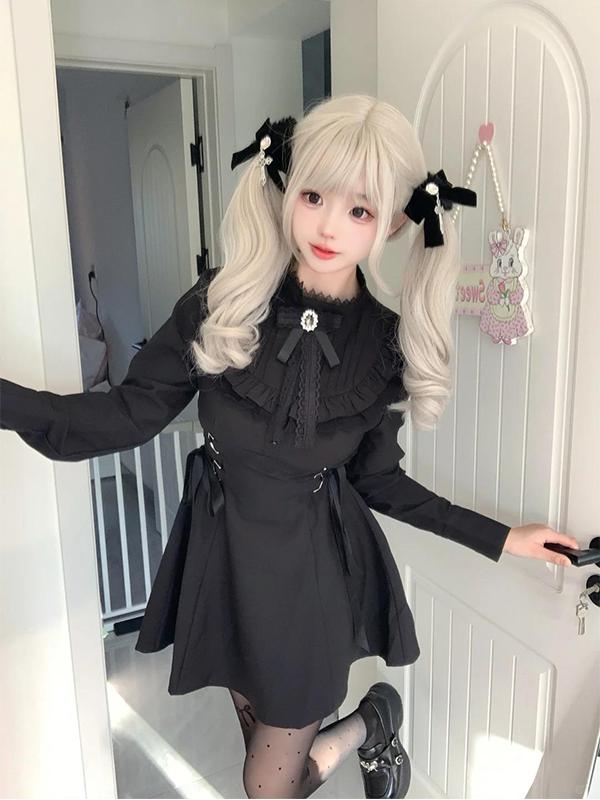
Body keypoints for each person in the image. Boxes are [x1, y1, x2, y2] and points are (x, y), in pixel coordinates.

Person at [0, 94, 579, 799]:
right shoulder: (222, 303)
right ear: (286, 188)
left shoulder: (383, 345)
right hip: (223, 559)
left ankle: (365, 724)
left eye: (359, 210)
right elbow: (124, 417)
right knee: (265, 749)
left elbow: (379, 481)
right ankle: (372, 722)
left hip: (310, 581)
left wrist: (503, 537)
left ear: (394, 221)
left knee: (266, 784)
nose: (329, 226)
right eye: (314, 197)